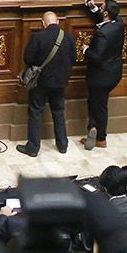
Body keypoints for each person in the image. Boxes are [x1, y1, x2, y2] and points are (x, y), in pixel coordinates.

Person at [16, 11, 75, 157]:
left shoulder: (38, 37)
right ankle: (62, 145)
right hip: (60, 81)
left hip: (40, 81)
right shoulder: (69, 38)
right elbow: (73, 59)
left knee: (35, 111)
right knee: (59, 111)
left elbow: (28, 58)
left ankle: (33, 147)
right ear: (58, 21)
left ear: (43, 23)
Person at [80, 0, 124, 149]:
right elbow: (103, 18)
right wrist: (93, 8)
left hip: (100, 76)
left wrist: (85, 50)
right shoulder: (119, 23)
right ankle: (93, 127)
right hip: (114, 72)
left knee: (99, 105)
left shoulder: (102, 34)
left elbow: (96, 57)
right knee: (96, 102)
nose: (100, 8)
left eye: (102, 7)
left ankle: (100, 137)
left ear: (106, 13)